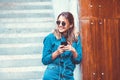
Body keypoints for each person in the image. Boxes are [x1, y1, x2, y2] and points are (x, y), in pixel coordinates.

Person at [42, 12, 82, 80]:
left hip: (67, 75)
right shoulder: (50, 38)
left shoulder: (76, 38)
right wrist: (57, 52)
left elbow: (78, 60)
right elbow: (45, 60)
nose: (60, 25)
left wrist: (73, 50)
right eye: (58, 22)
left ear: (71, 25)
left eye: (63, 23)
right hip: (52, 75)